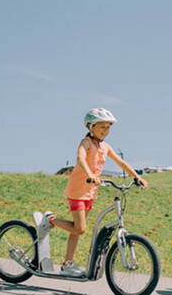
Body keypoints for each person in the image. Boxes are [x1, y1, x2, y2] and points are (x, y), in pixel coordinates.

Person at [37, 108, 148, 277]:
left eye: (108, 128)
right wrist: (90, 174)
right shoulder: (86, 142)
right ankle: (50, 220)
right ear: (91, 127)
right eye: (102, 127)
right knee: (80, 229)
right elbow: (81, 159)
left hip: (90, 191)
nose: (106, 131)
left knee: (76, 229)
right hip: (77, 190)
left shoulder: (105, 146)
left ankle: (67, 263)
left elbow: (121, 163)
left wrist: (137, 177)